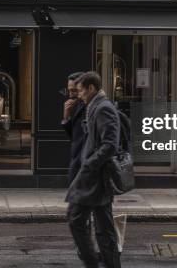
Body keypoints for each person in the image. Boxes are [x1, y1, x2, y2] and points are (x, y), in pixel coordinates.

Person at [65, 71, 121, 268]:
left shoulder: (103, 108)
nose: (78, 95)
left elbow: (110, 145)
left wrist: (89, 164)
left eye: (80, 91)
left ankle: (91, 264)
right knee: (103, 229)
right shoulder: (94, 106)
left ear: (91, 88)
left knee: (76, 219)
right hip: (93, 177)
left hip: (94, 178)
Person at [62, 72, 86, 184]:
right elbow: (73, 135)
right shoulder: (77, 106)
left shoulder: (91, 107)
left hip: (85, 162)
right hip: (78, 159)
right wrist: (66, 116)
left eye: (74, 91)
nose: (71, 95)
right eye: (69, 90)